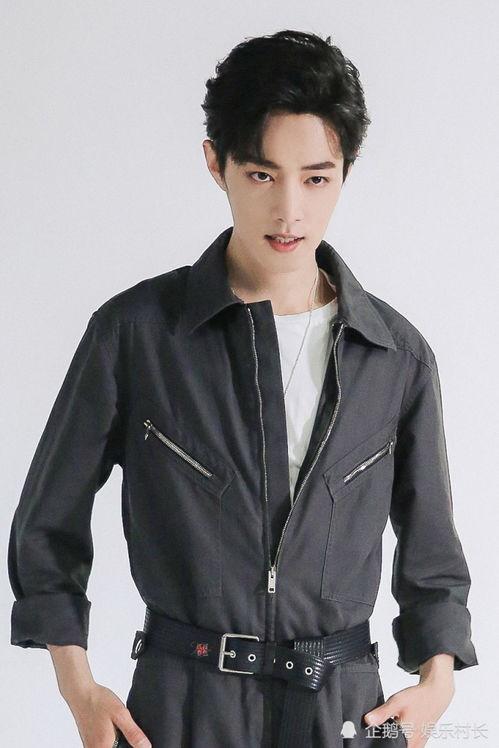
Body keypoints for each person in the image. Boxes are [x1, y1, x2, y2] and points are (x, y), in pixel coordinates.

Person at [8, 29, 478, 748]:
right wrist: (78, 687)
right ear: (216, 164)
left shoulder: (395, 357)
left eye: (316, 178)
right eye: (261, 175)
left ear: (345, 172)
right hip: (180, 709)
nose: (289, 212)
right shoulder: (136, 335)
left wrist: (436, 682)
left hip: (342, 713)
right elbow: (47, 522)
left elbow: (433, 552)